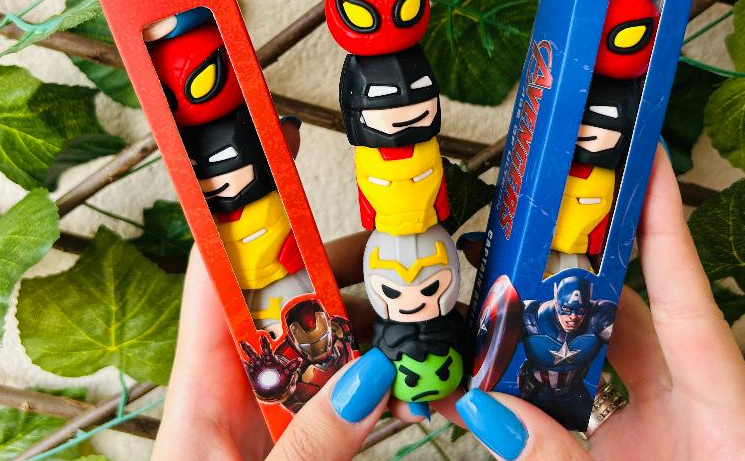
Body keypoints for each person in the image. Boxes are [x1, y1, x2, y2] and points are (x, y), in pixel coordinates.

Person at [152, 148, 745, 461]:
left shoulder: (546, 324)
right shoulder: (385, 325)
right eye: (395, 290)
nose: (413, 296)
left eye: (430, 285)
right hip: (410, 364)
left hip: (454, 361)